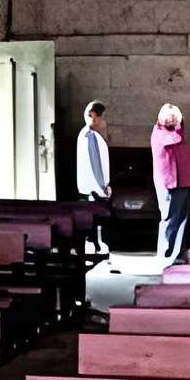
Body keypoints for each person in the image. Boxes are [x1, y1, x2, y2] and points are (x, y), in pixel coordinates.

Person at [151, 102, 190, 263]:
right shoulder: (160, 133)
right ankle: (166, 253)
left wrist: (179, 123)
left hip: (184, 181)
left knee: (182, 218)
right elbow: (174, 138)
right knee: (169, 218)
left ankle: (177, 252)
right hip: (170, 183)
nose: (173, 121)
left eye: (175, 118)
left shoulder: (178, 131)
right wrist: (177, 125)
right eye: (170, 118)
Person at [74, 100, 114, 262]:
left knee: (92, 220)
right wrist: (103, 186)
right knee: (95, 220)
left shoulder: (86, 134)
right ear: (94, 116)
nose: (105, 121)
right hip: (94, 188)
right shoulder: (90, 136)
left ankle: (94, 244)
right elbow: (96, 164)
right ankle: (95, 246)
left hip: (88, 188)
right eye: (103, 116)